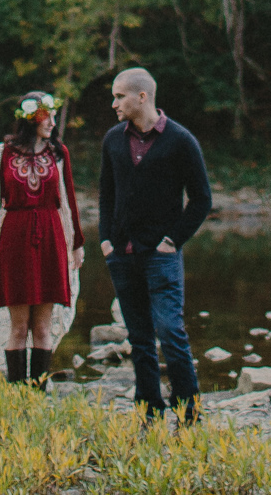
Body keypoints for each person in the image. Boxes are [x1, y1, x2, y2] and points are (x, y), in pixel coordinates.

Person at [98, 66, 212, 423]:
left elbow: (201, 199)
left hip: (161, 255)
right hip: (122, 254)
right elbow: (106, 193)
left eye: (119, 96)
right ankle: (148, 411)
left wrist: (172, 241)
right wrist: (105, 240)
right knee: (140, 339)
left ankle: (189, 412)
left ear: (142, 97)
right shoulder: (113, 139)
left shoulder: (180, 140)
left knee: (171, 332)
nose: (114, 103)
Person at [0, 90, 86, 387]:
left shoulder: (58, 153)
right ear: (31, 118)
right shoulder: (2, 153)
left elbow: (68, 201)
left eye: (54, 115)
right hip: (14, 239)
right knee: (18, 326)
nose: (53, 122)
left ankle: (37, 393)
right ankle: (17, 394)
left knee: (42, 326)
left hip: (51, 237)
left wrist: (76, 243)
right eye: (47, 115)